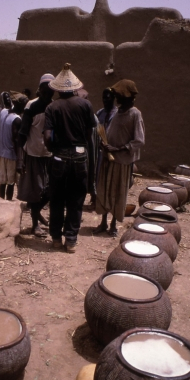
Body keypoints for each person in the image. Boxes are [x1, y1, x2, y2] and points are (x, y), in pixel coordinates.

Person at [44, 63, 95, 253]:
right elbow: (90, 133)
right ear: (74, 87)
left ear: (58, 88)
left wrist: (54, 150)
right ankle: (71, 240)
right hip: (81, 156)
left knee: (57, 198)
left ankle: (56, 238)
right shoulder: (85, 105)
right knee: (76, 199)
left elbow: (48, 137)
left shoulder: (52, 107)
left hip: (59, 157)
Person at [94, 79, 145, 237]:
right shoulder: (118, 112)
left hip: (121, 162)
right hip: (108, 159)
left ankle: (113, 225)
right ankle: (103, 222)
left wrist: (119, 149)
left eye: (118, 95)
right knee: (104, 191)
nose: (116, 98)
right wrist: (105, 145)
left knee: (117, 193)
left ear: (127, 96)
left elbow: (139, 140)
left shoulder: (135, 114)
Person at [17, 74, 55, 236]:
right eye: (44, 91)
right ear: (39, 90)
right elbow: (22, 135)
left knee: (50, 190)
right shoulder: (31, 107)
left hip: (50, 155)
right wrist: (20, 159)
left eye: (50, 91)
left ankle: (37, 211)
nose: (47, 94)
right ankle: (34, 224)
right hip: (33, 154)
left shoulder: (54, 107)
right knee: (35, 191)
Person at [0, 92, 28, 201]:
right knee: (11, 183)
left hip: (0, 153)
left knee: (2, 182)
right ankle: (8, 204)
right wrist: (19, 160)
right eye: (24, 104)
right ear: (20, 105)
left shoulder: (4, 112)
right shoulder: (17, 119)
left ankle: (1, 202)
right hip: (10, 155)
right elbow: (16, 141)